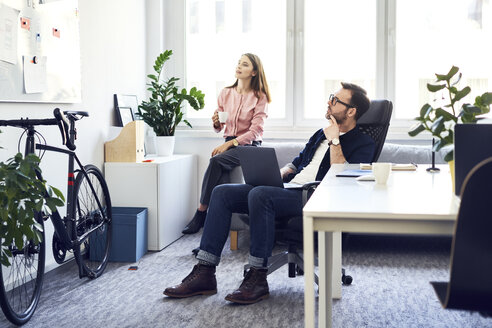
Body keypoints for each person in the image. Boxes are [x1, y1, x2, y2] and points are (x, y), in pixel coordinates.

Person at [164, 82, 375, 304]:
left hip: (315, 197)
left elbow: (343, 177)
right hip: (289, 189)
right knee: (222, 193)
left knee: (260, 195)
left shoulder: (363, 143)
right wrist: (283, 171)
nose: (328, 102)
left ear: (351, 111)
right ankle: (204, 273)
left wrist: (334, 139)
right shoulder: (319, 134)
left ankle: (257, 278)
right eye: (330, 97)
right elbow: (298, 161)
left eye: (335, 100)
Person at [182, 53, 271, 234]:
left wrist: (229, 145)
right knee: (221, 183)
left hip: (250, 147)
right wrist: (216, 123)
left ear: (254, 72)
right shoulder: (225, 93)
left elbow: (255, 131)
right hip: (229, 142)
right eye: (238, 63)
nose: (239, 66)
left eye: (245, 64)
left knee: (216, 160)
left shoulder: (259, 97)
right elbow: (220, 126)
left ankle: (201, 212)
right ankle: (210, 238)